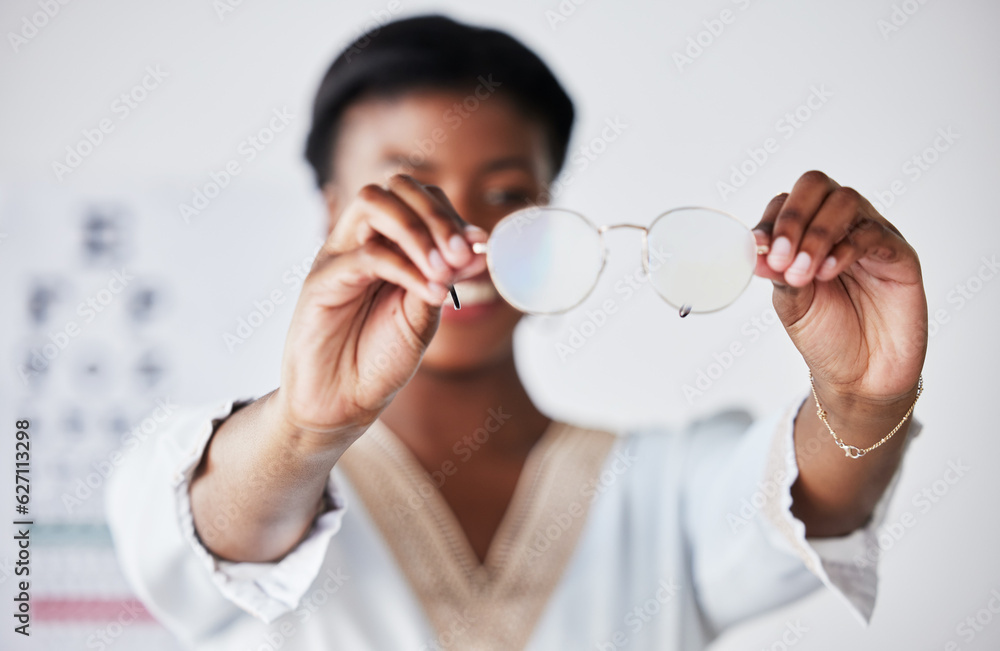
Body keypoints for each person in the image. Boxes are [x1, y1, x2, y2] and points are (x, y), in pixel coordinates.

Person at [105, 14, 928, 651]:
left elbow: (803, 503)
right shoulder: (217, 459)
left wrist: (863, 396)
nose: (470, 239)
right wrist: (304, 426)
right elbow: (217, 534)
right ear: (333, 208)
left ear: (550, 208)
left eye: (507, 194)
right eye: (412, 193)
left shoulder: (662, 489)